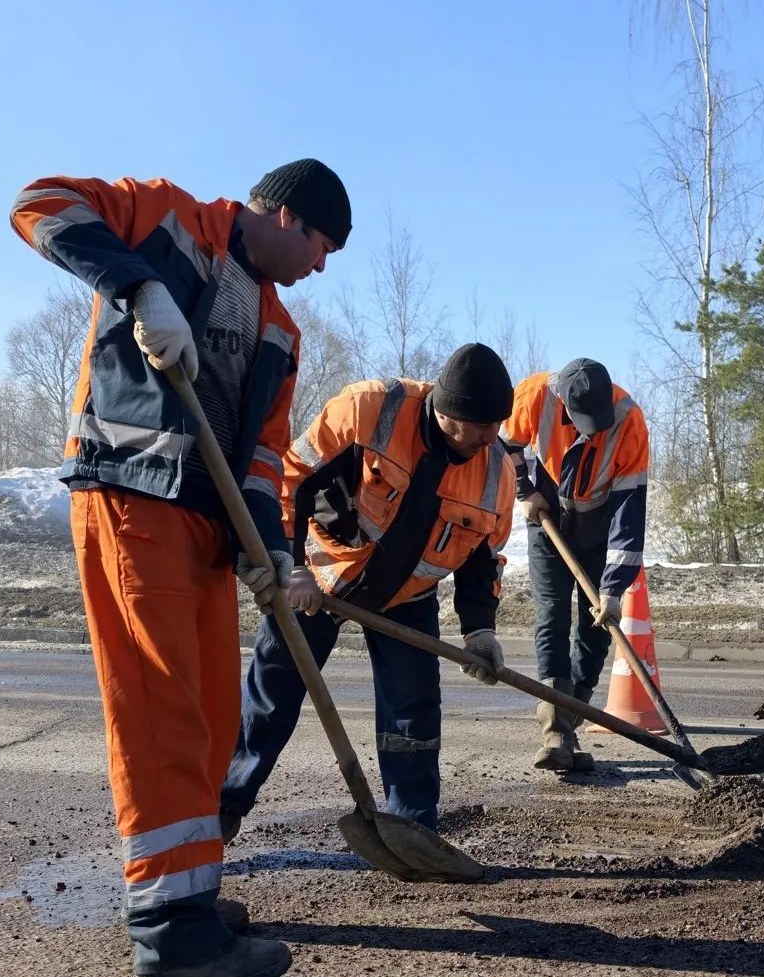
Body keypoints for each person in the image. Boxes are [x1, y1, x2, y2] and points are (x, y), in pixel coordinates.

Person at [9, 158, 350, 977]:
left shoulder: (281, 331)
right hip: (132, 497)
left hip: (208, 526)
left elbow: (264, 458)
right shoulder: (167, 222)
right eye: (321, 245)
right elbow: (37, 203)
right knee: (161, 709)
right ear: (281, 215)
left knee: (206, 715)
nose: (321, 267)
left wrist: (270, 547)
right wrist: (137, 286)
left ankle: (189, 898)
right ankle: (171, 940)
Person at [220, 343, 517, 838]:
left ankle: (412, 829)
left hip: (407, 598)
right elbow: (290, 480)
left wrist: (480, 631)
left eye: (499, 424)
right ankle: (222, 809)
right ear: (448, 414)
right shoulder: (367, 411)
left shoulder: (495, 473)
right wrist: (293, 569)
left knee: (413, 717)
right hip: (321, 578)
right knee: (272, 698)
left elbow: (483, 559)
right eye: (484, 425)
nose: (494, 437)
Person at [501, 359, 649, 771]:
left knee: (596, 628)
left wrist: (614, 589)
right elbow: (505, 441)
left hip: (599, 525)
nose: (591, 428)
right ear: (564, 403)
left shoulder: (628, 420)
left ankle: (569, 716)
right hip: (547, 517)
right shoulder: (533, 396)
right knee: (550, 616)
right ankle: (554, 732)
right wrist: (524, 488)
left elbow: (629, 510)